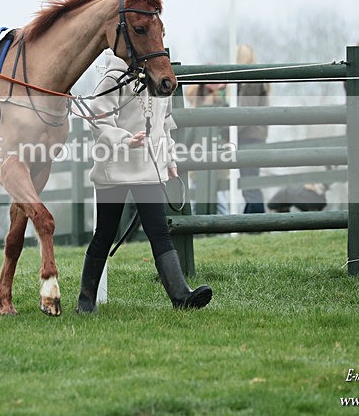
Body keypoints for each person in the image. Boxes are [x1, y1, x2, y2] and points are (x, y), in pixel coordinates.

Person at [75, 51, 212, 313]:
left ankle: (181, 297)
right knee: (104, 233)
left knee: (159, 232)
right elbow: (99, 119)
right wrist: (124, 139)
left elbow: (164, 125)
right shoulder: (113, 78)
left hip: (149, 169)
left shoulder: (160, 78)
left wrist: (170, 160)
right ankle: (85, 301)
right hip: (113, 169)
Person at [232, 44, 270, 214]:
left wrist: (226, 131)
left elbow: (244, 113)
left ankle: (255, 220)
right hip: (252, 136)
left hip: (249, 137)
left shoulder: (250, 81)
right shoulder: (253, 81)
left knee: (250, 182)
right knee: (250, 180)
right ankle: (253, 218)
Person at [183, 81, 230, 215]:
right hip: (200, 155)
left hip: (215, 154)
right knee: (196, 194)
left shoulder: (219, 102)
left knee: (219, 196)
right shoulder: (197, 105)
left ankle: (224, 227)